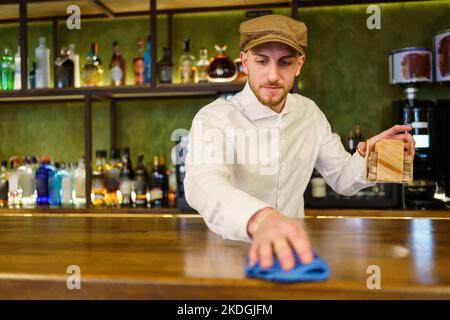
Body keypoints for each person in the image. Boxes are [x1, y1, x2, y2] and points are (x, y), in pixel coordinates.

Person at [183, 14, 415, 271]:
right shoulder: (214, 117)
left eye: (285, 63)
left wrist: (374, 156)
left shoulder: (309, 113)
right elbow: (202, 182)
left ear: (299, 64)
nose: (273, 75)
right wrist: (260, 218)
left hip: (294, 256)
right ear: (245, 62)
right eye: (262, 61)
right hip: (230, 256)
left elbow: (341, 178)